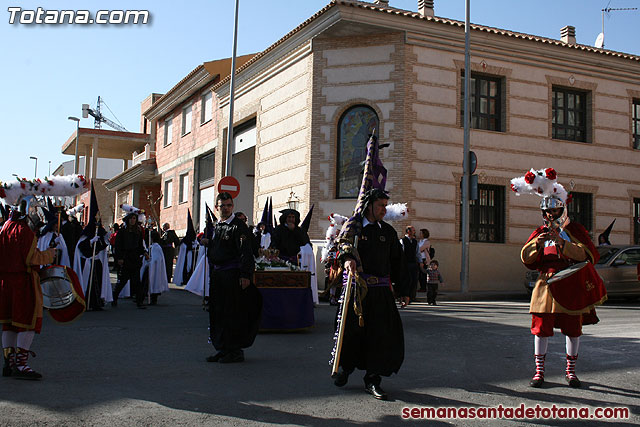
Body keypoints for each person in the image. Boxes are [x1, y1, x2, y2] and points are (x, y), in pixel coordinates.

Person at [512, 168, 607, 389]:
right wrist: (537, 244)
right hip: (546, 284)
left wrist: (563, 243)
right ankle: (539, 372)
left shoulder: (574, 229)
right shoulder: (539, 231)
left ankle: (571, 372)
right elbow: (526, 258)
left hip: (571, 282)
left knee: (573, 329)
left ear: (562, 209)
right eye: (547, 213)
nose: (550, 216)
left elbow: (588, 254)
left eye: (554, 211)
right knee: (540, 328)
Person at [332, 188, 406, 400]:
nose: (384, 209)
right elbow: (343, 245)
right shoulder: (353, 229)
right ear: (369, 206)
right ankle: (345, 368)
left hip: (381, 293)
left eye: (385, 205)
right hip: (357, 291)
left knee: (381, 336)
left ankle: (373, 379)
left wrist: (403, 290)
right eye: (380, 205)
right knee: (351, 332)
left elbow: (398, 263)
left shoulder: (388, 233)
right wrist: (347, 258)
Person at [202, 192, 262, 363]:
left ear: (232, 206)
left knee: (232, 312)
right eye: (223, 206)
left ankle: (234, 350)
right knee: (217, 312)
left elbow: (245, 252)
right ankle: (222, 347)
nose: (226, 209)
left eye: (229, 205)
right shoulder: (217, 226)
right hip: (217, 274)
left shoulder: (239, 226)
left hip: (232, 275)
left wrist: (245, 275)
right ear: (217, 207)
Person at [1, 205, 56, 379]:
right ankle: (21, 365)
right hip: (23, 283)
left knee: (9, 324)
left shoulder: (6, 226)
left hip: (5, 282)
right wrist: (49, 254)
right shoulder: (24, 231)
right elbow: (31, 259)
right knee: (28, 322)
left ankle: (8, 363)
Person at [113, 211, 148, 309]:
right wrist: (119, 258)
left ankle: (139, 301)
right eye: (131, 218)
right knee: (123, 280)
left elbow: (140, 244)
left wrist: (144, 252)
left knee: (137, 281)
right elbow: (118, 246)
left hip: (135, 258)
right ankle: (114, 296)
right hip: (126, 258)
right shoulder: (122, 231)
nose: (132, 220)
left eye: (134, 219)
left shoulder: (138, 231)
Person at [144, 231, 169, 305]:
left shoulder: (156, 247)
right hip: (152, 267)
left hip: (154, 268)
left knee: (153, 282)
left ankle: (153, 298)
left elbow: (156, 259)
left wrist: (149, 261)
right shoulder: (153, 247)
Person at [400, 225, 422, 306]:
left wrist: (420, 262)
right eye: (413, 230)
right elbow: (401, 252)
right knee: (406, 280)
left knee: (414, 280)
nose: (414, 232)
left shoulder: (415, 242)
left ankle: (412, 297)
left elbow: (417, 253)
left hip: (413, 263)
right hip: (405, 264)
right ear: (408, 231)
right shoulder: (402, 241)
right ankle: (404, 297)